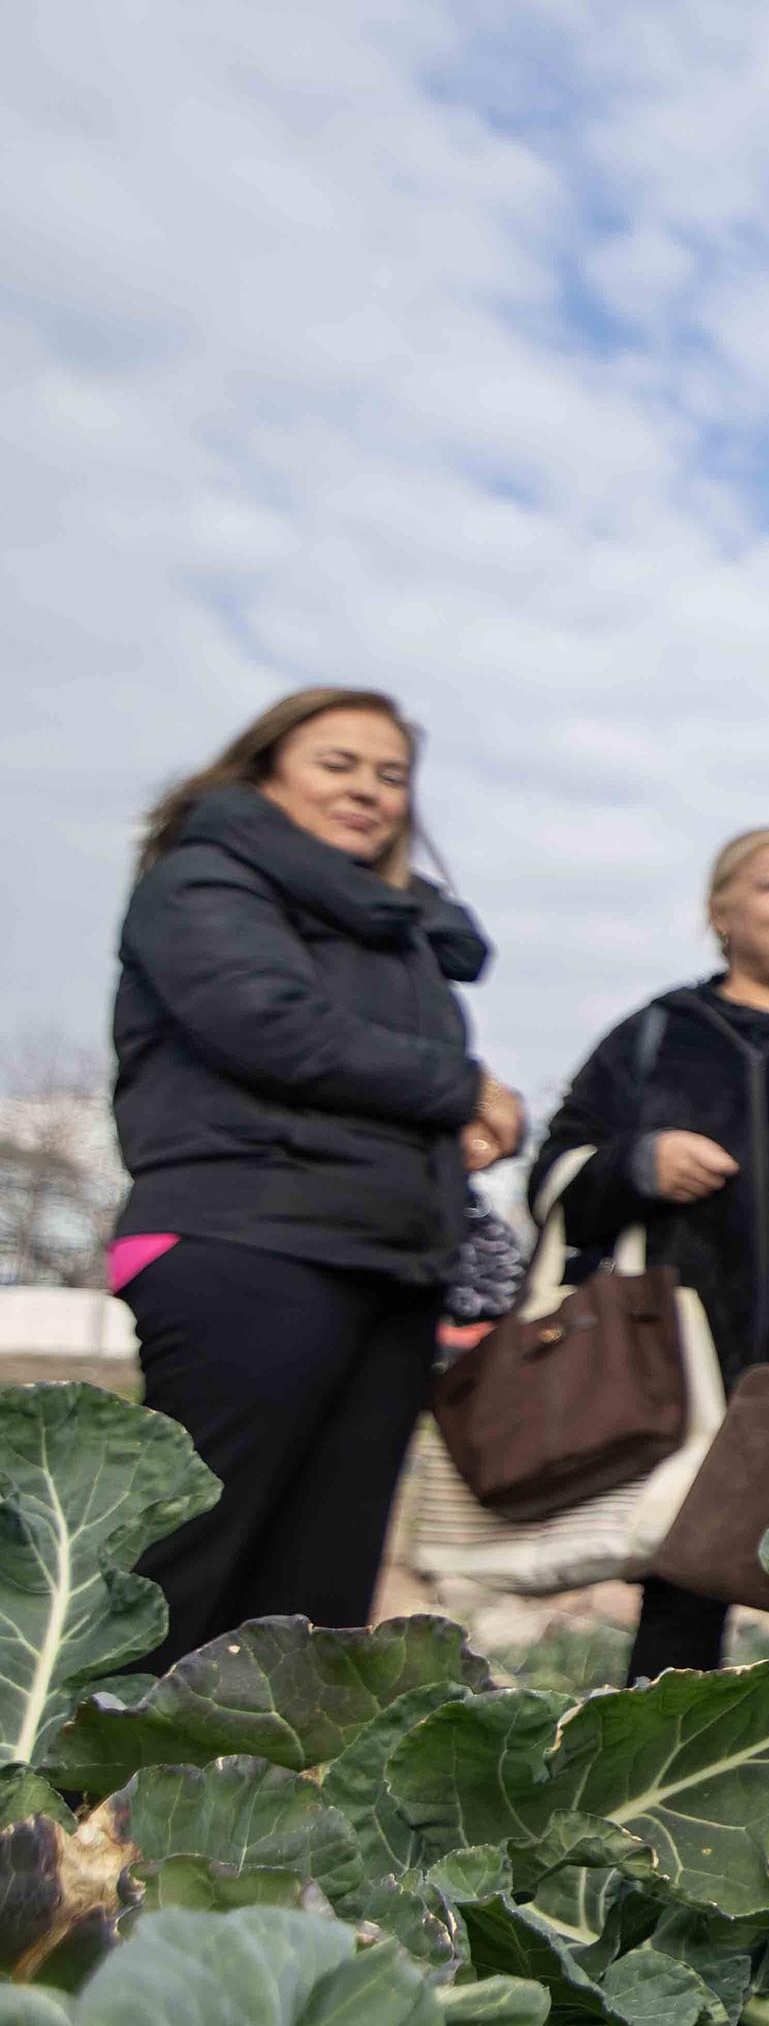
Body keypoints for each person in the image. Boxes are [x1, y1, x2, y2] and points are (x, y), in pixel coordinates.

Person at [107, 689, 525, 1665]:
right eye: (339, 762)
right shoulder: (203, 881)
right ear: (262, 773)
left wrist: (455, 1132)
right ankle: (90, 1800)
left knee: (319, 1592)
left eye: (391, 775)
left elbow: (379, 1073)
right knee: (191, 1556)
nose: (370, 790)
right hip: (247, 1238)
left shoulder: (398, 934)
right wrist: (459, 1086)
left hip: (386, 1261)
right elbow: (268, 1025)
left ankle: (260, 1804)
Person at [538, 827, 769, 1676]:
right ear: (719, 912)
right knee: (677, 1612)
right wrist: (638, 1162)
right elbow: (554, 1174)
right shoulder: (658, 1033)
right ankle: (652, 1794)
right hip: (686, 1374)